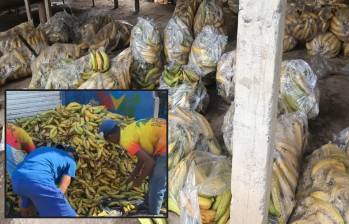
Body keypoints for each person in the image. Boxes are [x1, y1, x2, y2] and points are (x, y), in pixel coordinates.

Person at [99, 118, 167, 215]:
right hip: (164, 131)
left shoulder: (125, 141)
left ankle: (153, 214)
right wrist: (134, 174)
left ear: (110, 136)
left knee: (157, 181)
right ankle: (148, 204)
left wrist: (139, 180)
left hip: (166, 142)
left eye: (108, 140)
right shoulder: (127, 130)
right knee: (154, 178)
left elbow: (150, 162)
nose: (110, 142)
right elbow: (143, 157)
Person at [11, 145, 78, 217]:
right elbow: (65, 182)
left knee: (28, 208)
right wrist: (56, 200)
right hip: (38, 179)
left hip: (17, 178)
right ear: (72, 154)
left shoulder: (44, 150)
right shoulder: (71, 160)